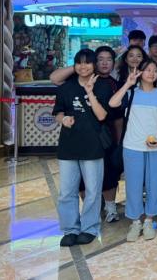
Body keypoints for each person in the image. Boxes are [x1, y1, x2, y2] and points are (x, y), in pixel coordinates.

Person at [49, 46, 124, 223]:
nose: (104, 63)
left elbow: (108, 116)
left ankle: (99, 216)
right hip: (71, 143)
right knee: (71, 189)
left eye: (108, 59)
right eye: (100, 59)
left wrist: (118, 140)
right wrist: (80, 65)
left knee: (101, 181)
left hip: (100, 140)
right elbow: (57, 108)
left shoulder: (107, 85)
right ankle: (75, 224)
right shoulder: (68, 85)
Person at [109, 60, 157, 242]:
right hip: (132, 147)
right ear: (139, 72)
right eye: (147, 70)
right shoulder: (131, 94)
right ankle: (135, 221)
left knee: (154, 184)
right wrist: (128, 84)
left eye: (154, 70)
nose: (151, 73)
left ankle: (149, 221)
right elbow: (112, 103)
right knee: (133, 185)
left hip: (155, 148)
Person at [53, 49, 111, 247]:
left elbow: (102, 116)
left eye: (87, 63)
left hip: (93, 145)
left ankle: (89, 228)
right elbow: (57, 112)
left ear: (94, 65)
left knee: (93, 191)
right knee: (66, 191)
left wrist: (89, 92)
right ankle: (70, 229)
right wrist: (63, 120)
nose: (83, 66)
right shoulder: (66, 88)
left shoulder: (102, 86)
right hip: (68, 145)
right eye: (79, 62)